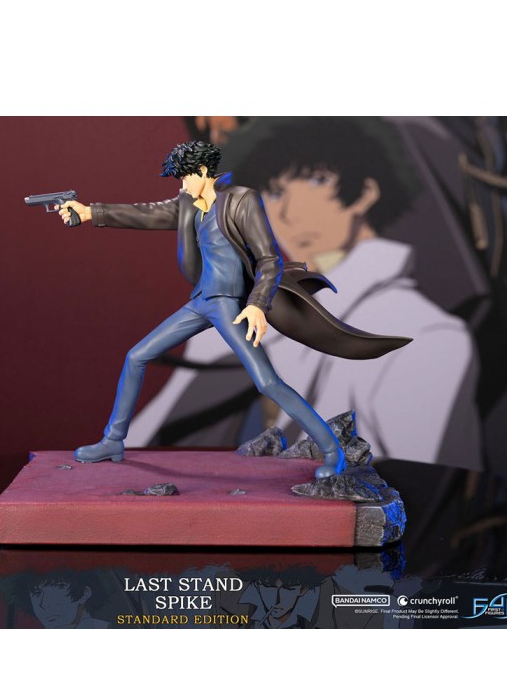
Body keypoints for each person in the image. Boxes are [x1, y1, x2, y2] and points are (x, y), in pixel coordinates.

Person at [126, 122, 483, 471]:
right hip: (232, 488)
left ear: (366, 191)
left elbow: (414, 482)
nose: (287, 212)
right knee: (138, 357)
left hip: (330, 498)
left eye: (316, 180)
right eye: (274, 191)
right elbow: (155, 433)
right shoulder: (224, 314)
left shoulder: (431, 335)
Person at [58, 141, 410, 480]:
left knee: (267, 382)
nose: (182, 185)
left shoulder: (241, 200)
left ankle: (332, 451)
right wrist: (90, 212)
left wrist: (256, 305)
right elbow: (147, 213)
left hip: (229, 305)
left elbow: (269, 259)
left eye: (185, 177)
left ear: (203, 171)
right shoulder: (189, 206)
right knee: (136, 356)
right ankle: (113, 440)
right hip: (201, 302)